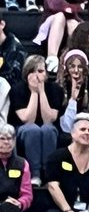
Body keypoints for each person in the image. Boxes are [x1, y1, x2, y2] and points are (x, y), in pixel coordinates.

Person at [10, 54, 63, 185]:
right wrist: (34, 92)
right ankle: (35, 174)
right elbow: (27, 119)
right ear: (26, 74)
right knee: (32, 130)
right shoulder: (17, 89)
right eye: (32, 71)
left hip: (48, 128)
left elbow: (49, 119)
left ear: (46, 73)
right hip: (24, 129)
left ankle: (47, 174)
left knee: (47, 129)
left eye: (40, 71)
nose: (37, 76)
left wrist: (42, 92)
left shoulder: (55, 89)